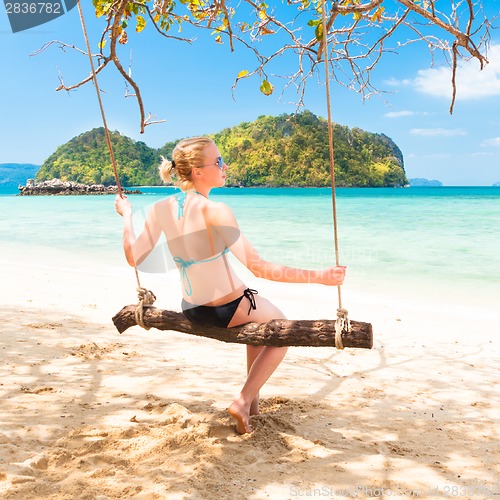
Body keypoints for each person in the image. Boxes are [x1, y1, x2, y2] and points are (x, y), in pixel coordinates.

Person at [115, 136, 346, 434]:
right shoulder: (217, 210)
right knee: (284, 330)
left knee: (259, 331)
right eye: (219, 161)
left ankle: (253, 407)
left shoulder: (160, 209)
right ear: (198, 171)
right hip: (229, 308)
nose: (225, 166)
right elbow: (259, 267)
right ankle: (243, 399)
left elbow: (134, 257)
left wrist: (127, 215)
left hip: (193, 309)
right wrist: (320, 277)